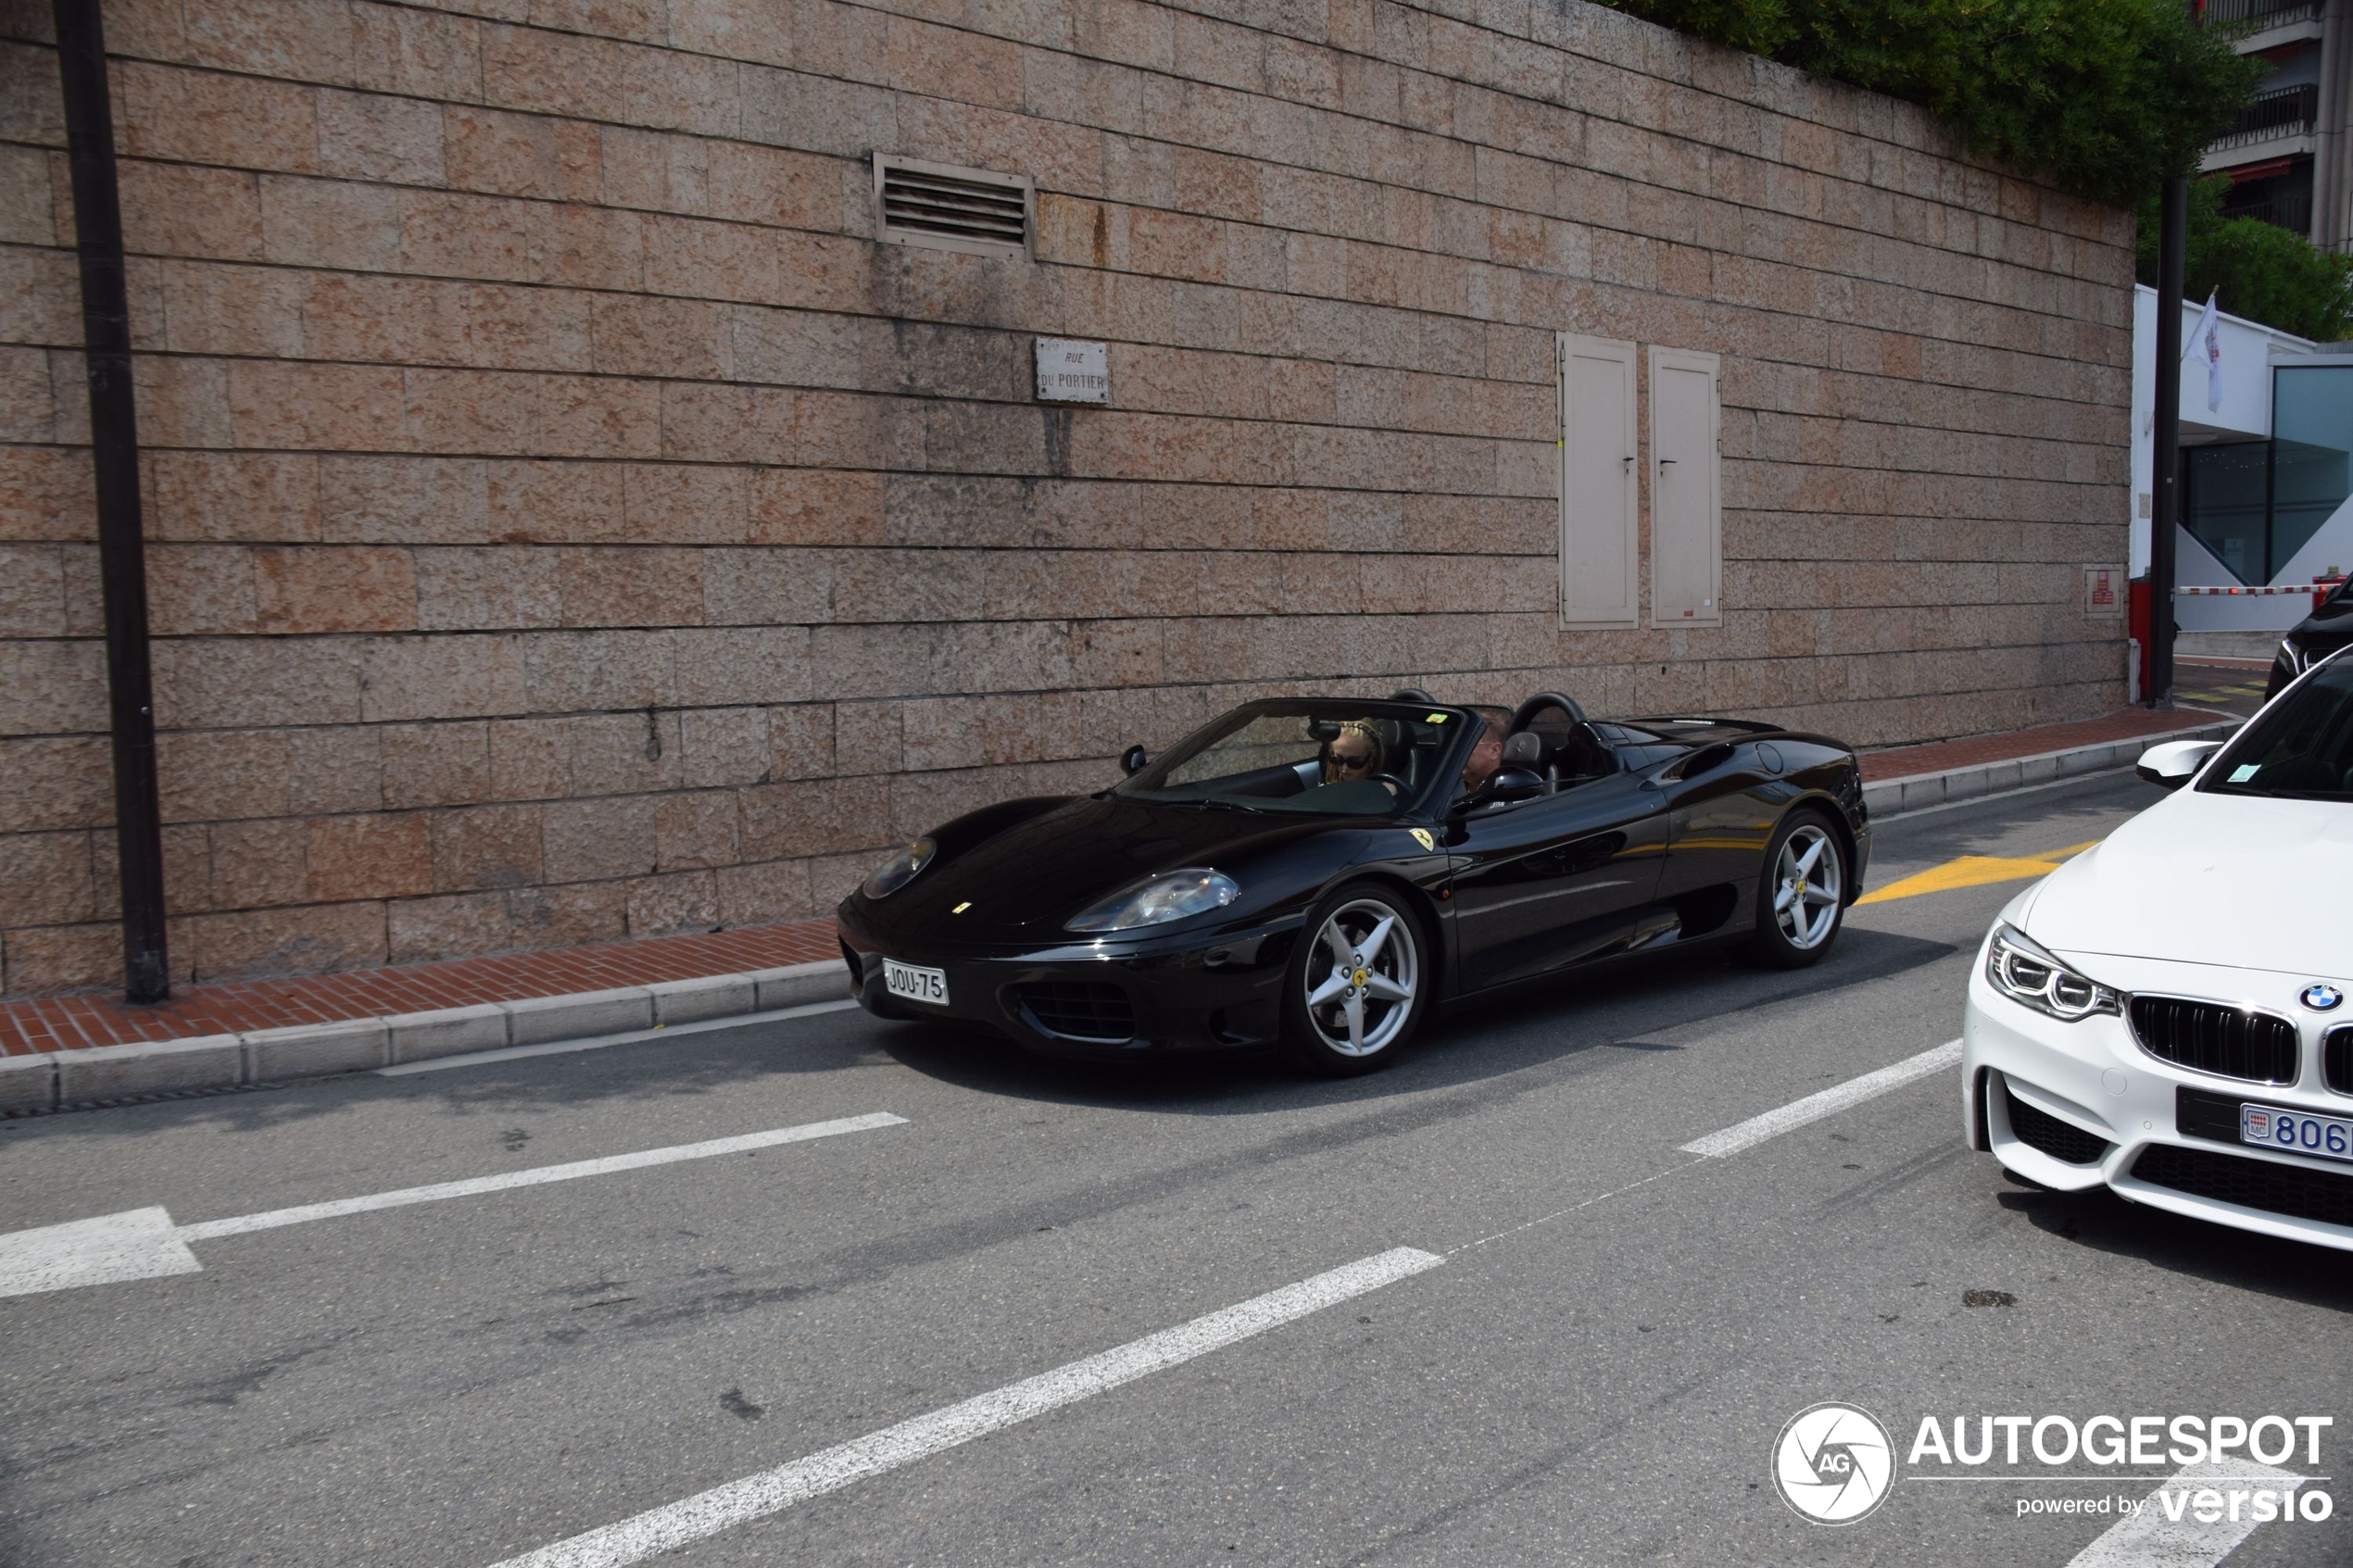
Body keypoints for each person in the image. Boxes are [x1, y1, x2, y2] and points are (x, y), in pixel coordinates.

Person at [1322, 720, 1387, 784]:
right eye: (1338, 760)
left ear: (1372, 758)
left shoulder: (1386, 790)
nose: (1344, 769)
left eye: (1354, 762)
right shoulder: (1326, 787)